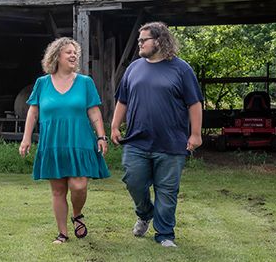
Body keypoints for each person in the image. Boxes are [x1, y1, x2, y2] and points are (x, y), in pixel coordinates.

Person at [111, 22, 203, 248]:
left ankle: (164, 234)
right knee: (133, 180)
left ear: (159, 41)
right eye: (139, 40)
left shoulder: (181, 69)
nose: (139, 44)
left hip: (171, 143)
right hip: (136, 141)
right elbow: (122, 100)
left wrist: (196, 134)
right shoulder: (133, 68)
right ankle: (144, 213)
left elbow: (195, 103)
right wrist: (114, 126)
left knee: (167, 190)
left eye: (144, 40)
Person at [19, 37, 110, 244]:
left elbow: (94, 112)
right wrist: (26, 139)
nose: (73, 55)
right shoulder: (42, 83)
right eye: (68, 52)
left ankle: (77, 214)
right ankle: (62, 233)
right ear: (56, 56)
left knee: (79, 186)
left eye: (74, 52)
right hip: (52, 143)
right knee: (58, 190)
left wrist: (101, 136)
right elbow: (33, 112)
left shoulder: (85, 82)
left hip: (80, 141)